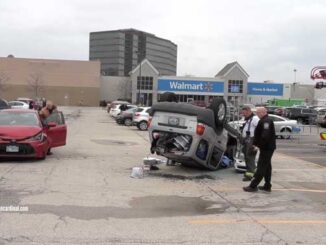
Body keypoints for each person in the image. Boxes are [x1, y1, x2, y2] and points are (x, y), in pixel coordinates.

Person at [243, 107, 276, 192]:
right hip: (266, 147)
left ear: (263, 112)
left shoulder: (266, 121)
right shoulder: (264, 120)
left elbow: (265, 136)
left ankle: (253, 186)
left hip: (266, 148)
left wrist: (258, 145)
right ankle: (267, 185)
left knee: (261, 167)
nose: (257, 114)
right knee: (267, 167)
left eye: (258, 113)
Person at [240, 106, 260, 181]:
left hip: (251, 140)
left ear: (248, 111)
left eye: (244, 113)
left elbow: (259, 129)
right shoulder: (249, 119)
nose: (243, 115)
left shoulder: (255, 119)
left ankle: (250, 175)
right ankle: (250, 172)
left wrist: (256, 143)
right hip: (247, 140)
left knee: (250, 157)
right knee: (247, 157)